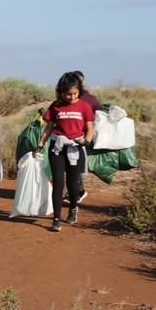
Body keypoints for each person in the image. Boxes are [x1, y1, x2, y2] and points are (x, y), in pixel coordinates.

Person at [34, 72, 94, 232]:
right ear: (61, 92)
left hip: (75, 148)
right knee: (58, 183)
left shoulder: (84, 106)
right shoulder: (56, 106)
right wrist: (40, 145)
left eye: (75, 93)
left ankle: (73, 207)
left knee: (73, 185)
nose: (72, 97)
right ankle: (56, 219)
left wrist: (86, 141)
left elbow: (90, 129)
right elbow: (48, 128)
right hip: (57, 147)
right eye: (69, 94)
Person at [70, 70, 101, 203]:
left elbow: (99, 117)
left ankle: (78, 191)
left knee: (74, 165)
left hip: (81, 137)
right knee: (73, 165)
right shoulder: (89, 99)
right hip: (74, 136)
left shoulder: (88, 99)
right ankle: (77, 190)